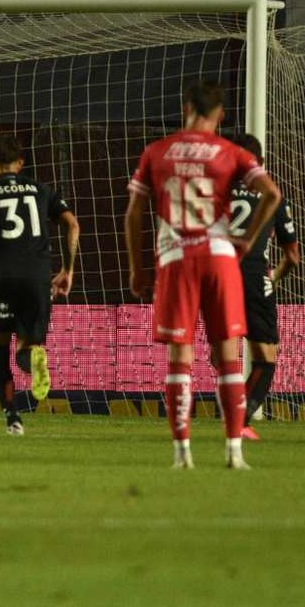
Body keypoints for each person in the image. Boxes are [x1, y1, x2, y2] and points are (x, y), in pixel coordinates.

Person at [124, 80, 282, 470]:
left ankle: (182, 454)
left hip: (176, 256)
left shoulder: (157, 151)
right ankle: (233, 452)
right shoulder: (230, 152)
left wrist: (136, 269)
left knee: (181, 358)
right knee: (229, 355)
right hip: (219, 256)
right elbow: (272, 194)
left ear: (186, 107)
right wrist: (244, 242)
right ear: (221, 114)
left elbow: (134, 212)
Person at [0, 133, 81, 435]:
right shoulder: (41, 190)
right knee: (27, 346)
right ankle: (34, 356)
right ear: (21, 162)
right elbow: (72, 224)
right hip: (37, 278)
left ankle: (13, 418)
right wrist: (67, 269)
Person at [225, 132, 302, 440]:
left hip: (217, 272)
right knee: (265, 355)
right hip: (254, 274)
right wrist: (272, 278)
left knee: (225, 350)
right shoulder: (273, 195)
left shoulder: (215, 190)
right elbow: (293, 257)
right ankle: (239, 421)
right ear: (262, 163)